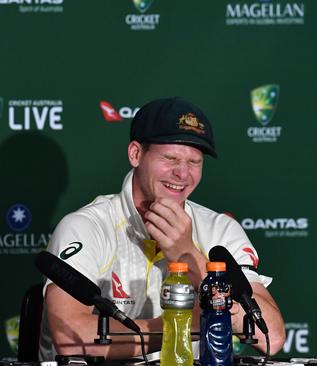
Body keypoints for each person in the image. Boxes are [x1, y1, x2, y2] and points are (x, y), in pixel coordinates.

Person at [39, 97, 285, 360]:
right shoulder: (87, 227)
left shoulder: (220, 230)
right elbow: (71, 337)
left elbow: (272, 335)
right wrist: (183, 326)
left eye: (194, 162)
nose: (182, 173)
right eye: (170, 158)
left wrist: (188, 256)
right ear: (135, 154)